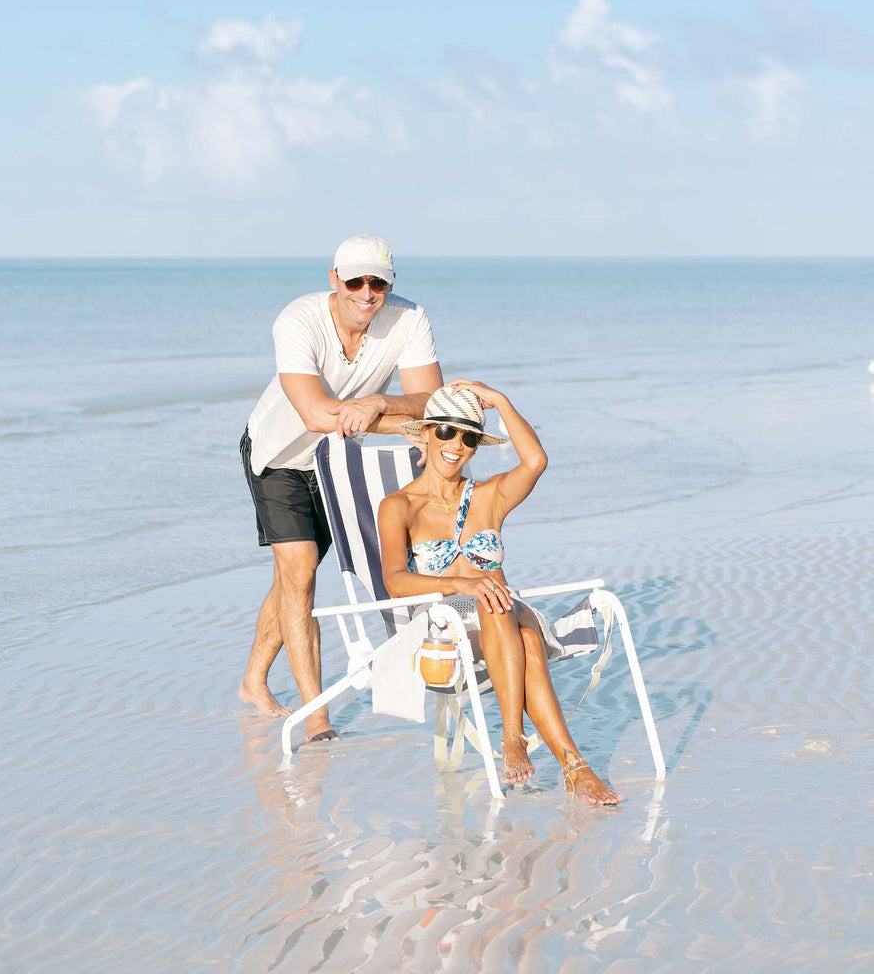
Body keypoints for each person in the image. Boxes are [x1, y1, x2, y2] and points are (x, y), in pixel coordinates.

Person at [377, 381, 623, 805]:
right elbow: (395, 581)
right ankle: (540, 750)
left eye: (469, 437)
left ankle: (548, 755)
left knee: (508, 615)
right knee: (500, 610)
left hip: (503, 612)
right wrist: (461, 584)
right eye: (447, 432)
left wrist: (501, 401)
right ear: (425, 433)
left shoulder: (489, 497)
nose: (457, 445)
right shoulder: (400, 505)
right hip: (444, 622)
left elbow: (536, 459)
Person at [239, 234, 443, 740]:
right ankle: (317, 716)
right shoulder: (298, 319)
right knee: (300, 570)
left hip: (338, 460)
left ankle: (252, 681)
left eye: (378, 282)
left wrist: (377, 401)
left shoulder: (409, 318)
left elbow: (430, 398)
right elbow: (312, 412)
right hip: (280, 457)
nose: (366, 292)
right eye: (355, 281)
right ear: (335, 280)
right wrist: (396, 419)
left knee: (293, 577)